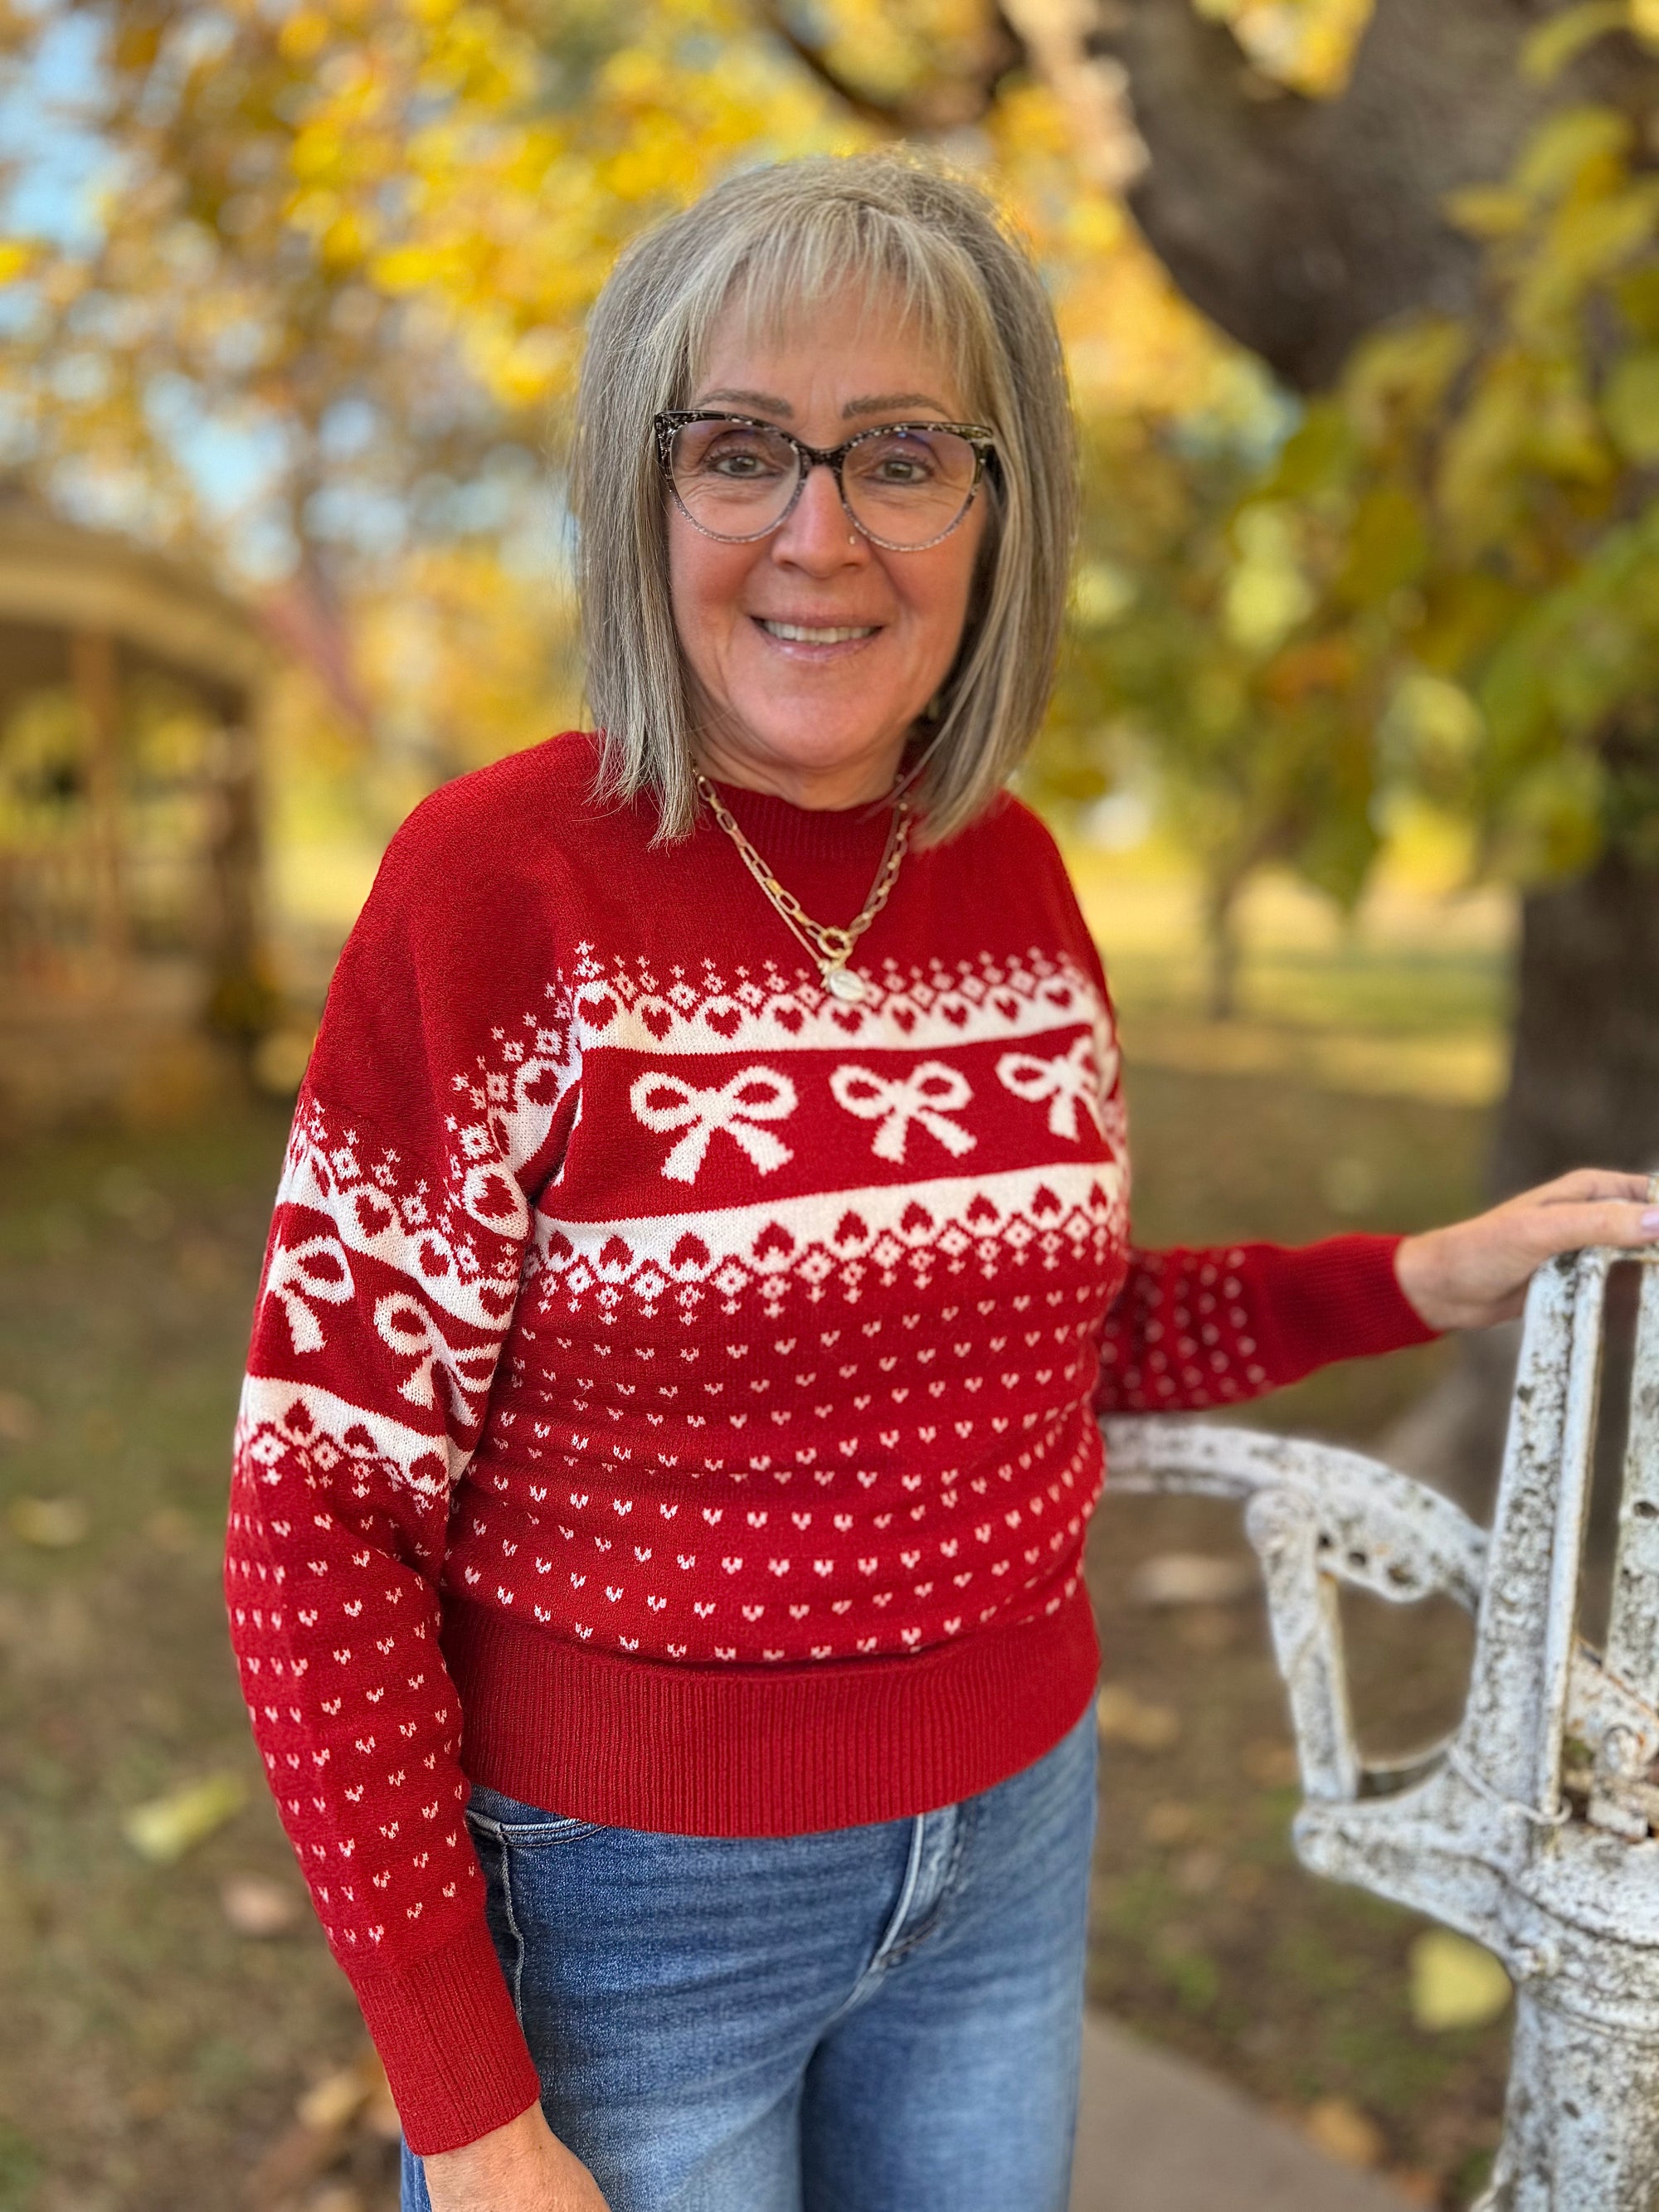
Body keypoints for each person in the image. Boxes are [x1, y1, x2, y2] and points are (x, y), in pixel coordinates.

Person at [225, 151, 1659, 2212]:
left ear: (999, 510)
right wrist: (466, 2103)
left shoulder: (1012, 873)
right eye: (741, 449)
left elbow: (1045, 1334)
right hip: (633, 1911)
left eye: (901, 453)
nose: (818, 534)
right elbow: (316, 1517)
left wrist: (1416, 1271)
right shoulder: (493, 888)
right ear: (648, 494)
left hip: (1008, 1841)